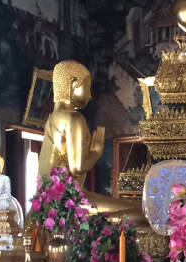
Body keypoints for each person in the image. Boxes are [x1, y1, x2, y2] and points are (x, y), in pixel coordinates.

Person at [37, 60, 142, 220]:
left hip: (50, 201)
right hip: (71, 200)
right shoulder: (73, 118)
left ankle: (99, 223)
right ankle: (100, 225)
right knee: (141, 213)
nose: (90, 95)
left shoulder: (52, 119)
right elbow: (77, 167)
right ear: (73, 84)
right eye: (87, 87)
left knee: (132, 211)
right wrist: (96, 151)